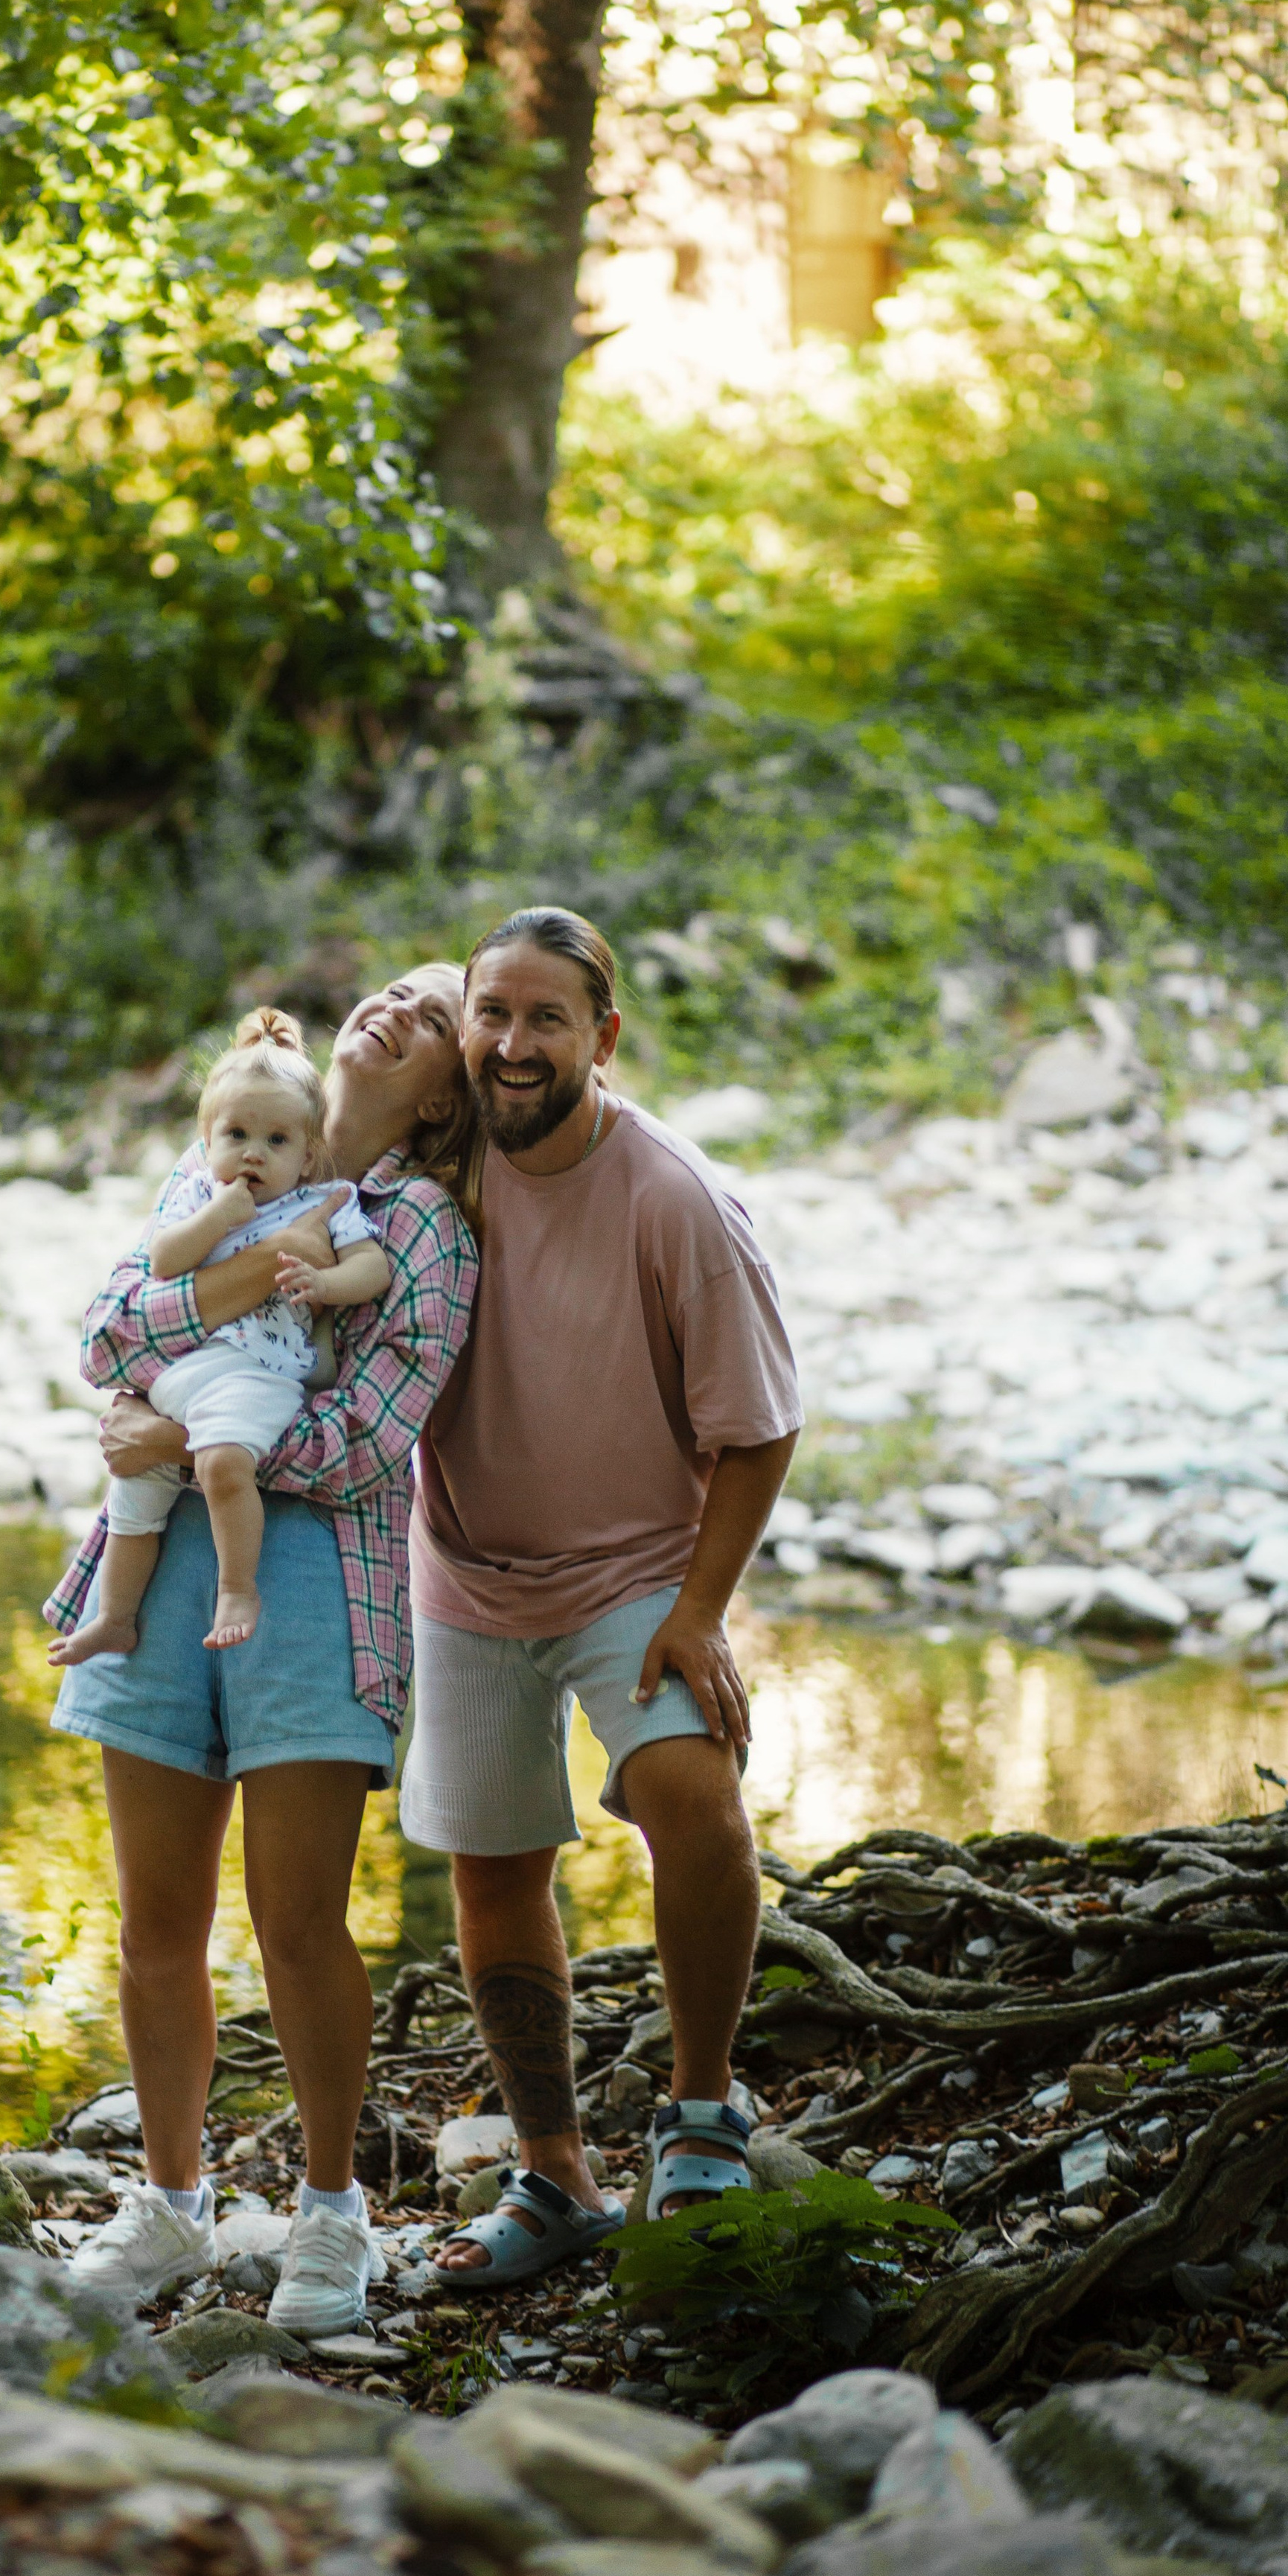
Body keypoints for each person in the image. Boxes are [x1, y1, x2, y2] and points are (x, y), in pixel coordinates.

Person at [42, 966, 478, 2334]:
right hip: (160, 1568)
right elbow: (111, 1329)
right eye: (396, 991)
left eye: (435, 1014)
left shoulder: (426, 1227)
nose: (398, 1009)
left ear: (444, 1089)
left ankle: (332, 2217)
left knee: (298, 1925)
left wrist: (183, 1430)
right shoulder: (227, 1152)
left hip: (317, 1585)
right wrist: (229, 1282)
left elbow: (369, 1435)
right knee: (155, 1922)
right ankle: (171, 2204)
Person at [403, 905, 800, 2283]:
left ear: (603, 1038)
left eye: (545, 1019)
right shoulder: (430, 1160)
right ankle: (555, 2174)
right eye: (491, 1014)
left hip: (635, 1569)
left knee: (691, 1795)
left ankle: (702, 2115)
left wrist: (698, 1611)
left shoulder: (673, 1199)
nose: (512, 1045)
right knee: (497, 1869)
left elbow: (757, 1430)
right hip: (462, 1575)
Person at [47, 1010, 390, 1662]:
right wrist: (218, 1216)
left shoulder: (324, 1203)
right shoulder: (200, 1191)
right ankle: (116, 1616)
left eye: (277, 1141)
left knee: (223, 1460)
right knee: (135, 1493)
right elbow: (164, 1260)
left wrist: (326, 1287)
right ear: (207, 1140)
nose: (253, 1153)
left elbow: (371, 1269)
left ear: (308, 1155)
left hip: (258, 1378)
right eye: (236, 1135)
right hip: (186, 1372)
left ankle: (238, 1588)